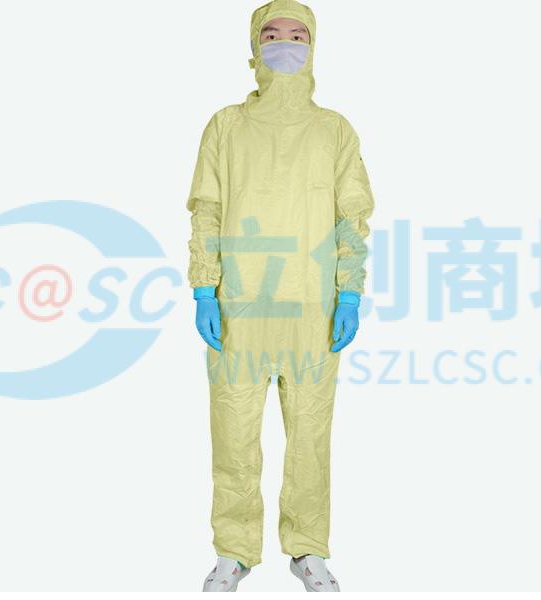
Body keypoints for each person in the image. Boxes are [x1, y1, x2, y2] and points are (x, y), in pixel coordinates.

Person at [186, 0, 374, 592]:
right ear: (254, 46)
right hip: (240, 305)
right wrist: (204, 288)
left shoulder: (333, 130)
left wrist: (349, 294)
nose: (285, 44)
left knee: (311, 437)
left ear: (314, 46)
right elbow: (207, 210)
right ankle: (233, 551)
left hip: (313, 307)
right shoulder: (227, 126)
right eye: (272, 35)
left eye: (298, 35)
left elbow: (351, 218)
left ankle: (308, 548)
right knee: (233, 434)